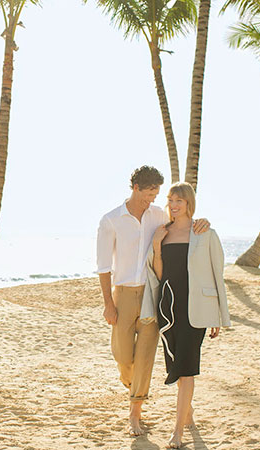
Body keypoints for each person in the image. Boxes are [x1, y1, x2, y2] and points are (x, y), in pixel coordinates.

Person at [97, 167, 210, 437]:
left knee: (145, 356)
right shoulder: (111, 220)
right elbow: (103, 267)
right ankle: (133, 385)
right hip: (122, 294)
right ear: (136, 188)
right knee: (123, 356)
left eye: (156, 194)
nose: (153, 199)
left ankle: (135, 414)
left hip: (152, 295)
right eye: (149, 193)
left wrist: (202, 222)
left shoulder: (158, 215)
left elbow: (183, 222)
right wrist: (108, 304)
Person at [143, 181, 231, 448]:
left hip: (197, 310)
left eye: (179, 200)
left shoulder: (204, 233)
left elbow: (218, 274)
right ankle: (188, 415)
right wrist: (157, 246)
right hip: (168, 307)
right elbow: (158, 274)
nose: (174, 205)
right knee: (176, 367)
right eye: (171, 200)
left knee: (186, 370)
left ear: (189, 203)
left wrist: (217, 316)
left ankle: (177, 433)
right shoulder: (162, 232)